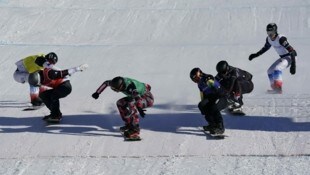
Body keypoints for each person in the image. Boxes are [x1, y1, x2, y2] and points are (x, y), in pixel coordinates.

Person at [248, 23, 297, 94]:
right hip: (284, 57)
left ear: (275, 31)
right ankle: (274, 88)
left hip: (291, 56)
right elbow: (265, 49)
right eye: (268, 32)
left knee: (277, 68)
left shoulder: (281, 39)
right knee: (270, 71)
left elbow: (291, 51)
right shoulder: (269, 39)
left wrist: (293, 65)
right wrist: (255, 55)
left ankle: (278, 88)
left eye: (272, 32)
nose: (270, 34)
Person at [190, 67, 226, 135]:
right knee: (202, 106)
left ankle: (220, 127)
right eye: (194, 80)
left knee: (212, 107)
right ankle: (212, 124)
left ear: (199, 74)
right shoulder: (199, 84)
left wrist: (210, 80)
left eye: (196, 78)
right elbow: (202, 93)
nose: (196, 80)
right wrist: (203, 103)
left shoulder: (206, 78)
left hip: (219, 94)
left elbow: (215, 85)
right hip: (211, 97)